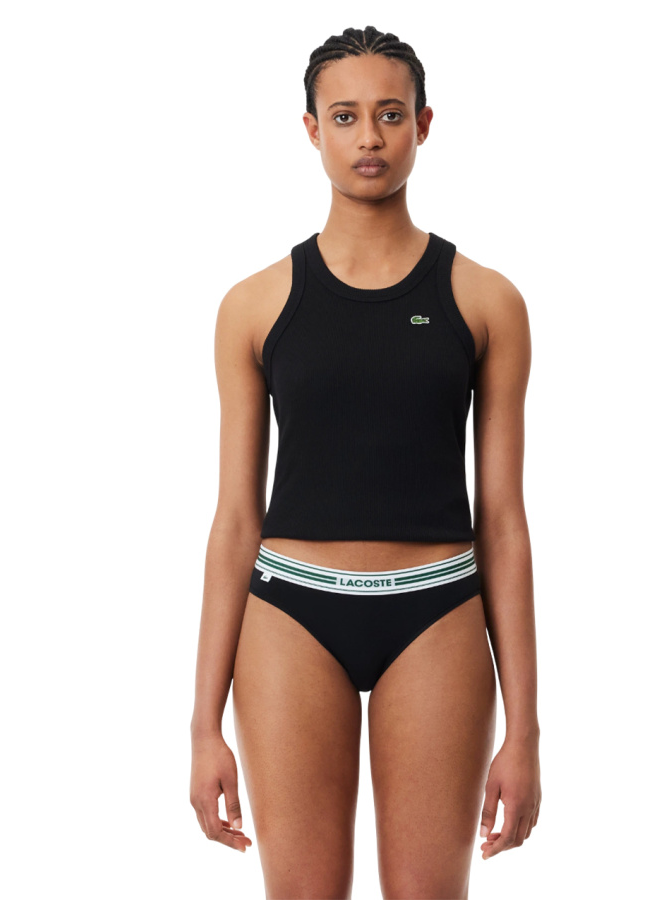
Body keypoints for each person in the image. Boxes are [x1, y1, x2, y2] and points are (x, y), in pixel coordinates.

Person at [189, 25, 541, 899]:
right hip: (290, 617)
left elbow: (503, 521)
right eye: (344, 117)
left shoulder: (485, 300)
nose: (369, 137)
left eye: (389, 114)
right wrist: (201, 725)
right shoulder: (254, 305)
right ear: (312, 130)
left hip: (437, 614)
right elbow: (235, 519)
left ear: (423, 124)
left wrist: (525, 731)